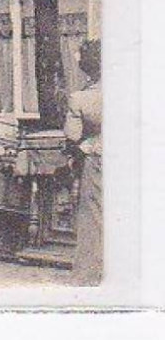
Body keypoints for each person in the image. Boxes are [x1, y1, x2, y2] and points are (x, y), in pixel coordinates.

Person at [65, 38, 103, 285]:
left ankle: (90, 276)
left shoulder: (80, 98)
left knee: (93, 218)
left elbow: (72, 136)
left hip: (98, 160)